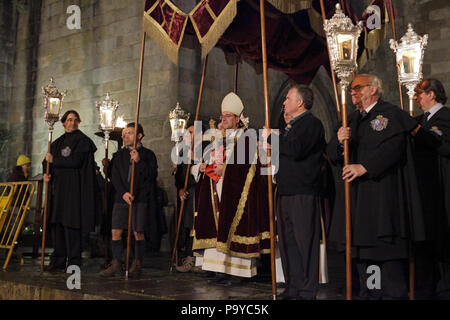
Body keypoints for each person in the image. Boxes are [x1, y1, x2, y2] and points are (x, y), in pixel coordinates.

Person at [326, 74, 425, 299]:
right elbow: (332, 153)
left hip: (382, 202)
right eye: (351, 89)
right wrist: (341, 142)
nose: (352, 92)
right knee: (366, 264)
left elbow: (393, 148)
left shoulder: (390, 115)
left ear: (372, 89)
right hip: (357, 205)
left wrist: (365, 167)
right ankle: (372, 294)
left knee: (386, 266)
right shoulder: (350, 120)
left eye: (357, 88)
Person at [192, 92, 270, 282]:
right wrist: (206, 166)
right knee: (217, 224)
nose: (223, 119)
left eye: (228, 116)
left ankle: (238, 270)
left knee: (233, 223)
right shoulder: (219, 139)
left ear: (237, 119)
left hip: (238, 190)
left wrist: (225, 168)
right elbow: (212, 159)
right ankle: (219, 268)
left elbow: (248, 165)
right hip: (217, 187)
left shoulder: (248, 137)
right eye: (222, 116)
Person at [266, 84, 326, 300]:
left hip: (303, 192)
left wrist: (272, 138)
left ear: (300, 102)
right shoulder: (290, 127)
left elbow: (296, 149)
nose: (284, 102)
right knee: (288, 242)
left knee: (304, 242)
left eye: (288, 98)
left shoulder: (311, 124)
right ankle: (293, 285)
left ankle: (307, 289)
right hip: (286, 191)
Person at [100, 122, 158, 278]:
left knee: (138, 231)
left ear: (139, 136)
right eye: (124, 134)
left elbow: (151, 175)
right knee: (116, 231)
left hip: (139, 198)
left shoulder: (148, 155)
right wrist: (123, 192)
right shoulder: (118, 156)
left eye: (129, 133)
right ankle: (117, 262)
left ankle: (137, 263)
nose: (125, 136)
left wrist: (139, 161)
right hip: (122, 198)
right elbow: (115, 177)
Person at [43, 110, 98, 272]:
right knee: (57, 224)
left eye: (75, 120)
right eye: (69, 120)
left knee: (71, 225)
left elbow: (76, 161)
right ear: (63, 123)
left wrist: (55, 160)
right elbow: (46, 161)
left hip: (74, 191)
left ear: (78, 122)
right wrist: (46, 174)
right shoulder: (57, 142)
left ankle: (74, 261)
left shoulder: (83, 141)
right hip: (58, 191)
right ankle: (58, 260)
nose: (72, 122)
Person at [412, 78, 450, 299]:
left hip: (441, 184)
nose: (416, 98)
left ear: (432, 95)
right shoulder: (419, 120)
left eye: (420, 94)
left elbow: (440, 145)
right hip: (423, 188)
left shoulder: (445, 117)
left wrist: (415, 129)